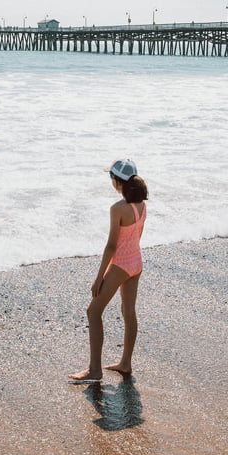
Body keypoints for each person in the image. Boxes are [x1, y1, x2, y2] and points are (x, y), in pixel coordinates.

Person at [68, 159, 149, 383]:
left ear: (117, 182)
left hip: (121, 264)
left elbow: (112, 246)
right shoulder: (141, 205)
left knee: (93, 312)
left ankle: (95, 370)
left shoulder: (118, 209)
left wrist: (99, 277)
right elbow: (136, 237)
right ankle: (125, 363)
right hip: (136, 263)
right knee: (129, 312)